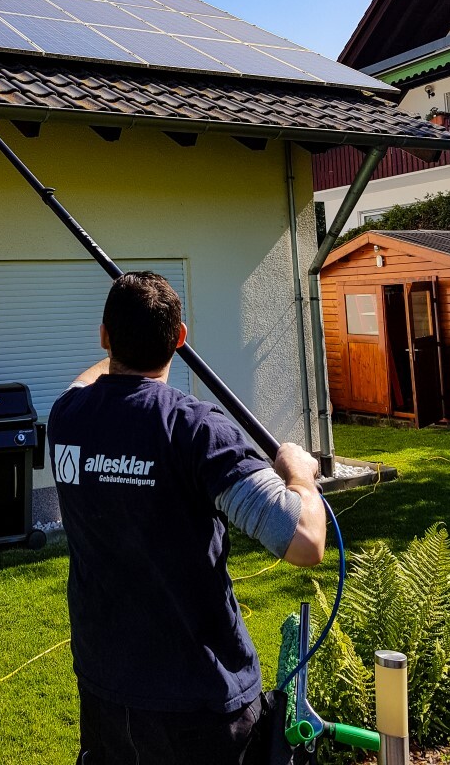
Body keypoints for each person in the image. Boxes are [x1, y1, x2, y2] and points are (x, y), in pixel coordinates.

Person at [48, 271, 326, 765]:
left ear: (104, 336)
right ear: (179, 339)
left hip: (106, 691)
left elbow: (88, 378)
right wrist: (299, 474)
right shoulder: (198, 431)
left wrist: (124, 339)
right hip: (202, 706)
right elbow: (305, 542)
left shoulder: (67, 417)